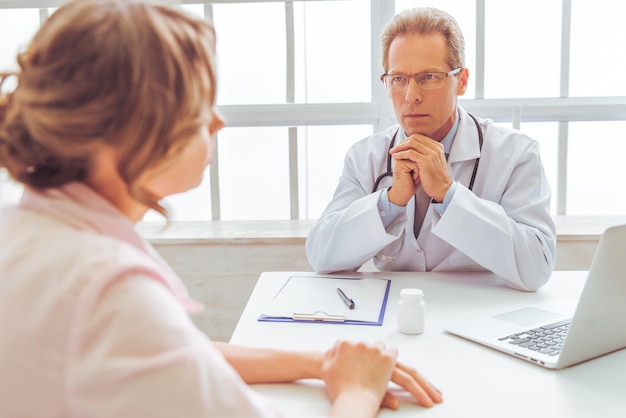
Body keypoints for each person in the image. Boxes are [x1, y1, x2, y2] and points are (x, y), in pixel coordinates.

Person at [0, 1, 442, 417]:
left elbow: (176, 352)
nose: (218, 122)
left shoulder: (27, 228)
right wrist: (358, 391)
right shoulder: (109, 291)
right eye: (199, 104)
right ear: (129, 124)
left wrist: (320, 362)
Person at [306, 7, 557, 292]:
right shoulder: (366, 157)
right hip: (394, 320)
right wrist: (390, 202)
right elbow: (321, 255)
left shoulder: (516, 154)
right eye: (398, 79)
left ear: (461, 81)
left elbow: (537, 266)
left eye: (428, 77)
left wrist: (449, 195)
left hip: (475, 319)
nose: (411, 96)